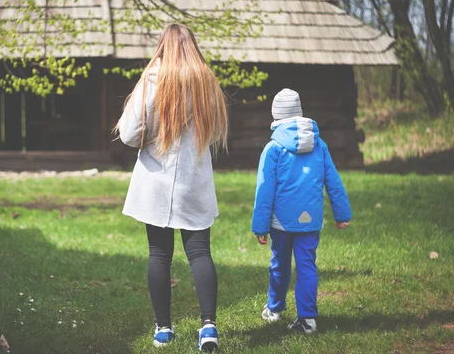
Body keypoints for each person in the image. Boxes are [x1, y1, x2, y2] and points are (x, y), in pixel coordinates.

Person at [115, 23, 228, 351]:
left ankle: (163, 328)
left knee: (158, 253)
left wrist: (153, 137)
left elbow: (128, 134)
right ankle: (209, 327)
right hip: (194, 178)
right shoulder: (207, 81)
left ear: (163, 46)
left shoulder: (151, 79)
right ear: (192, 46)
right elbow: (217, 130)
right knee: (200, 253)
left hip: (157, 179)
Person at [251, 88, 352, 334]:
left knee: (279, 264)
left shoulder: (273, 148)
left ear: (276, 115)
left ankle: (274, 309)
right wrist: (342, 213)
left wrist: (260, 225)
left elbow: (264, 189)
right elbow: (333, 181)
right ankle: (308, 319)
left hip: (281, 222)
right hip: (311, 220)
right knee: (307, 265)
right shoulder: (320, 145)